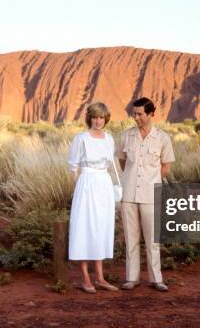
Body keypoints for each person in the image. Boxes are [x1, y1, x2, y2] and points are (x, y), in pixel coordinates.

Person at [117, 97, 175, 292]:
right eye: (134, 113)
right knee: (131, 239)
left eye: (140, 114)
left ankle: (156, 279)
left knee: (152, 240)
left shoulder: (162, 138)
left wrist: (152, 181)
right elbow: (123, 162)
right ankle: (131, 278)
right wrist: (131, 180)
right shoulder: (126, 136)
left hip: (151, 195)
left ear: (151, 114)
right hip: (129, 195)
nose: (136, 117)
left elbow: (166, 166)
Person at [68, 102, 120, 293]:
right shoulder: (81, 138)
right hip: (87, 184)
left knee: (101, 228)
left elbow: (111, 163)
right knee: (84, 227)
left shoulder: (109, 138)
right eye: (95, 117)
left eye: (101, 117)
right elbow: (73, 167)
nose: (98, 121)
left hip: (104, 183)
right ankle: (85, 278)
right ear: (89, 118)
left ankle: (100, 277)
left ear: (106, 118)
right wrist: (80, 187)